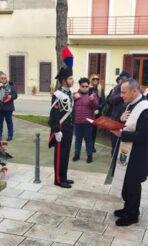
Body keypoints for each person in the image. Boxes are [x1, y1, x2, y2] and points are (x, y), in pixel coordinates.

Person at [108, 78, 148, 226]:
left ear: (135, 91)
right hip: (126, 152)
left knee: (133, 185)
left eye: (124, 92)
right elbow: (127, 125)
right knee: (126, 183)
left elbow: (144, 136)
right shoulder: (130, 105)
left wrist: (121, 134)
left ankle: (133, 214)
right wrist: (119, 122)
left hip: (136, 155)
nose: (121, 95)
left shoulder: (146, 109)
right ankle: (127, 207)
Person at [49, 47, 75, 188]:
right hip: (61, 129)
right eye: (70, 78)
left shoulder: (68, 93)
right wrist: (56, 130)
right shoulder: (58, 95)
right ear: (64, 80)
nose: (73, 80)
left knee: (65, 155)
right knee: (59, 156)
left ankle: (64, 176)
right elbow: (54, 115)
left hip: (69, 129)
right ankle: (58, 180)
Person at [72, 77, 99, 163]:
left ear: (88, 86)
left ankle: (89, 156)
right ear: (79, 86)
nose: (84, 88)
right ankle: (77, 155)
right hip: (77, 122)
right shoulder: (75, 94)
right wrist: (74, 98)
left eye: (86, 86)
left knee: (88, 140)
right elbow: (69, 103)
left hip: (88, 122)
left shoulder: (93, 95)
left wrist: (92, 100)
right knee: (78, 140)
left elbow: (96, 106)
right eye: (83, 86)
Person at [106, 71, 131, 155]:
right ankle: (113, 158)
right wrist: (121, 94)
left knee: (125, 143)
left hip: (128, 120)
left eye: (124, 80)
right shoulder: (116, 88)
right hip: (116, 119)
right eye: (121, 79)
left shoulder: (133, 88)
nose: (122, 81)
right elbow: (110, 100)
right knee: (114, 142)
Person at [0, 72, 18, 141]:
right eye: (2, 78)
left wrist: (11, 96)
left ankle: (10, 135)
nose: (3, 79)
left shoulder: (11, 85)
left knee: (9, 122)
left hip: (8, 107)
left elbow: (15, 95)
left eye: (5, 78)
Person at [89, 73, 106, 152]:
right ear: (91, 80)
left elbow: (103, 102)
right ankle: (89, 145)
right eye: (94, 79)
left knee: (94, 130)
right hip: (89, 113)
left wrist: (99, 110)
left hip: (97, 113)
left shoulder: (100, 89)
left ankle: (92, 146)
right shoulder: (88, 88)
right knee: (89, 130)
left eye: (97, 79)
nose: (95, 80)